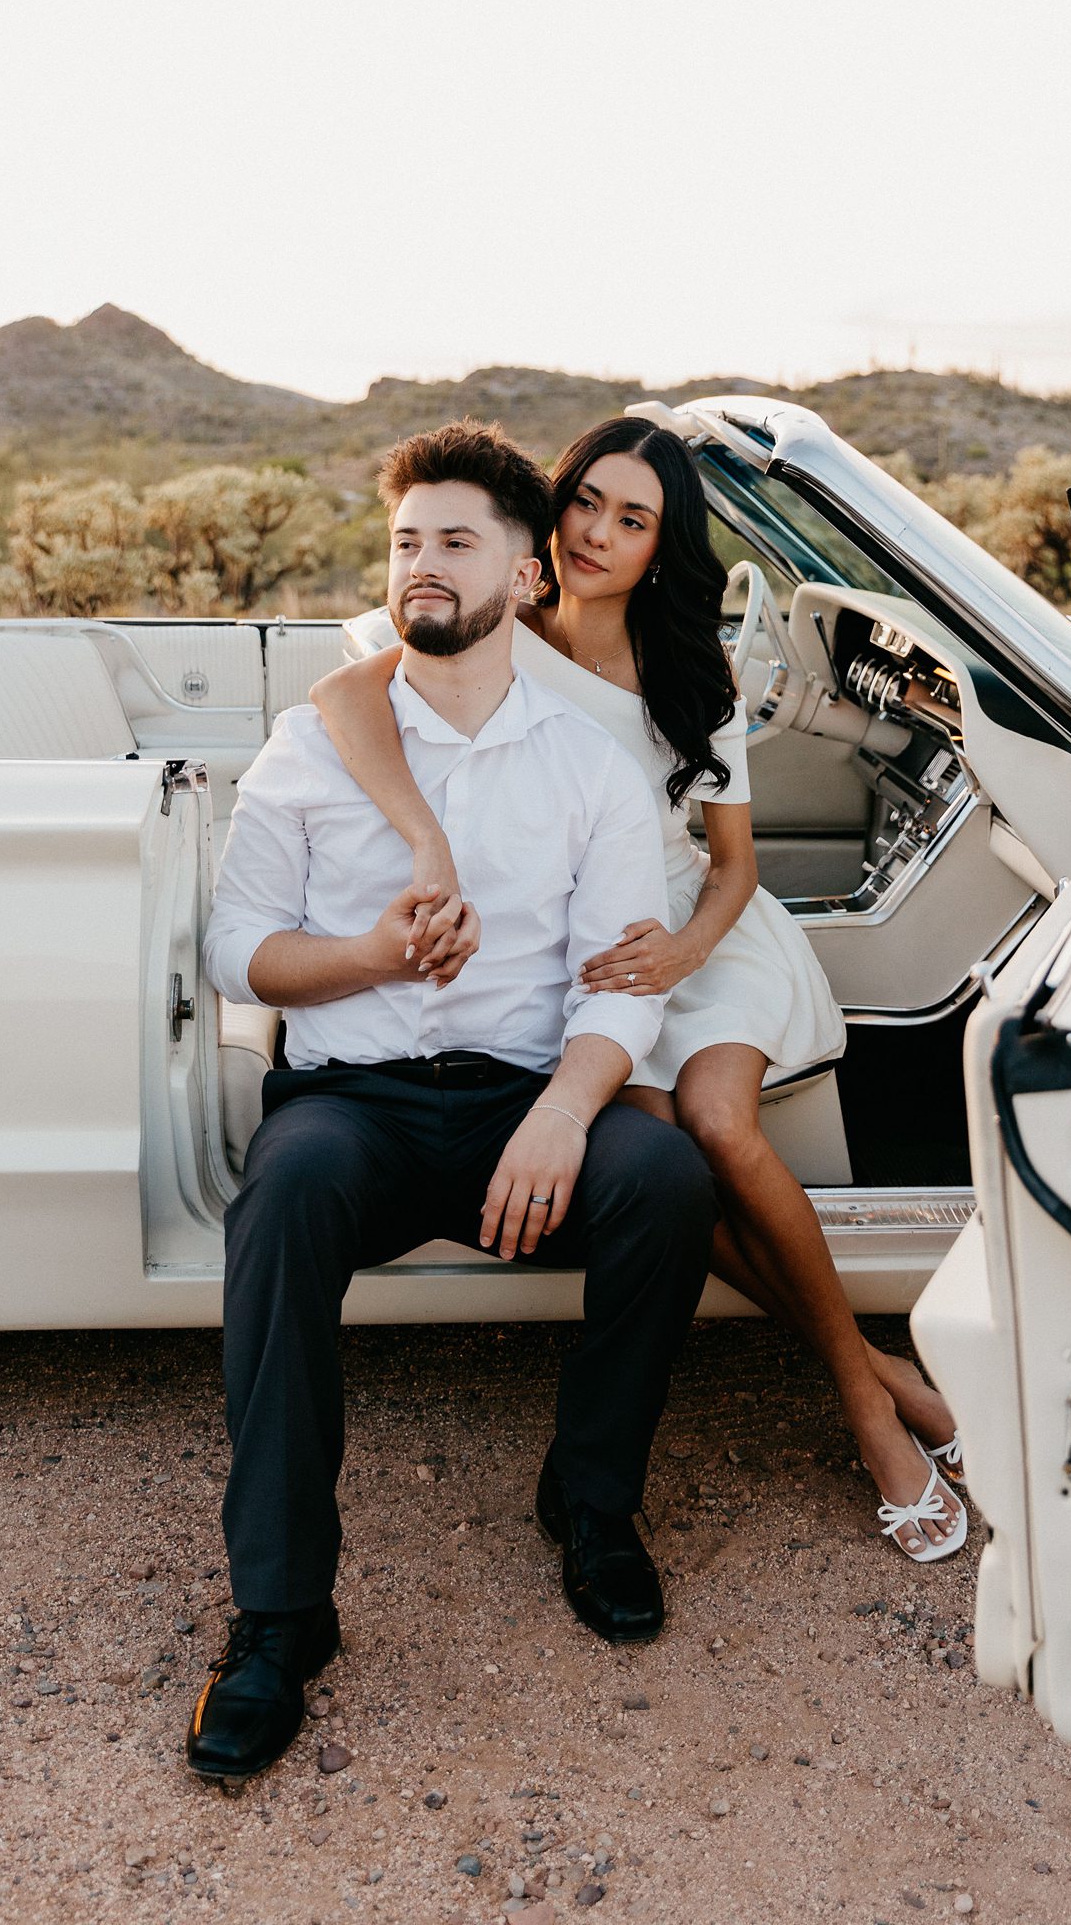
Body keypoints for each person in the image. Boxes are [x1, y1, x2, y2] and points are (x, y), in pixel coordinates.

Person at [313, 416, 966, 1563]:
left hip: (699, 935)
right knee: (660, 1159)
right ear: (548, 511)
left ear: (662, 545)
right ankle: (872, 1366)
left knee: (716, 1117)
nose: (596, 535)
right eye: (584, 504)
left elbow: (733, 866)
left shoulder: (691, 667)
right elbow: (341, 699)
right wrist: (424, 840)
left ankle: (866, 1408)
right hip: (583, 943)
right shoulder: (495, 624)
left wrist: (681, 954)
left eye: (632, 519)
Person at [192, 420, 719, 1784]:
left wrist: (565, 1111)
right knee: (286, 1195)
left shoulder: (588, 766)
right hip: (350, 1107)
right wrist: (370, 955)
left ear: (526, 569)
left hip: (515, 1109)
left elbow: (622, 989)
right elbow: (236, 951)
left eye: (457, 542)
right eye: (407, 542)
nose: (424, 565)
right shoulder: (313, 750)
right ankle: (280, 1617)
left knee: (663, 1183)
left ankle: (593, 1501)